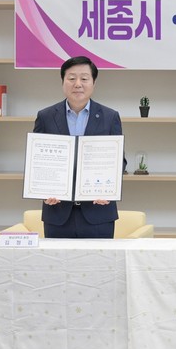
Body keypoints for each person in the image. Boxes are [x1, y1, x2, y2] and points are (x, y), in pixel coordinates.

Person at [33, 55, 125, 238]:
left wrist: (108, 189)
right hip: (57, 213)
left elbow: (118, 161)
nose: (78, 84)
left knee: (99, 258)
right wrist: (44, 190)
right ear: (63, 81)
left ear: (93, 83)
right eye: (71, 78)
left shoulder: (110, 117)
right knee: (56, 258)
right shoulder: (45, 116)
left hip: (98, 213)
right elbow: (37, 161)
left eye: (84, 78)